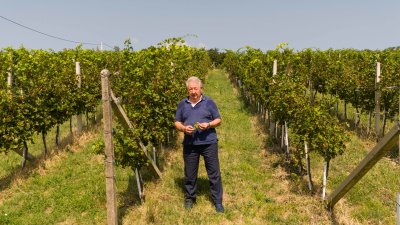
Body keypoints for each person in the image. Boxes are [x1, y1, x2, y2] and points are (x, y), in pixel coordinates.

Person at [174, 76, 224, 213]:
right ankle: (190, 198)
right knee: (190, 173)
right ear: (187, 90)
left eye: (195, 88)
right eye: (191, 89)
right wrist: (184, 128)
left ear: (201, 89)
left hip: (209, 143)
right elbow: (177, 122)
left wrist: (208, 125)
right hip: (190, 144)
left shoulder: (209, 102)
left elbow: (218, 120)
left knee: (214, 173)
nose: (193, 91)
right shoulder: (182, 104)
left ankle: (217, 201)